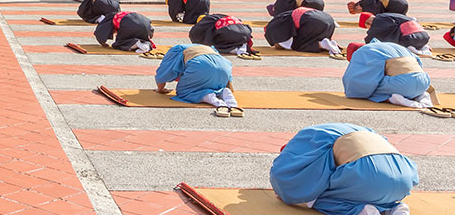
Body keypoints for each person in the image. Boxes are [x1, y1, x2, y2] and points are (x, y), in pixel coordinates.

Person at [270, 123, 418, 215]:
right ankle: (391, 208)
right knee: (367, 189)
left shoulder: (308, 142)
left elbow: (284, 178)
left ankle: (362, 211)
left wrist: (287, 193)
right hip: (404, 176)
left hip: (368, 177)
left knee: (314, 198)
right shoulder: (352, 130)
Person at [342, 41, 433, 110]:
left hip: (402, 85)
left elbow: (360, 81)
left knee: (367, 87)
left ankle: (391, 98)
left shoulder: (364, 52)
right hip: (424, 82)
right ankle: (419, 95)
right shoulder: (392, 45)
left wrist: (351, 90)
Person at [154, 44, 239, 113]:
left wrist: (160, 89)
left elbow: (164, 72)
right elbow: (226, 76)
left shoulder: (175, 50)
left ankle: (209, 97)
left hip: (200, 65)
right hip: (224, 67)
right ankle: (225, 93)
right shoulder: (209, 48)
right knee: (217, 86)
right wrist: (228, 86)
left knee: (184, 93)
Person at [264, 8, 341, 55]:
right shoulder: (283, 17)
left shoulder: (275, 27)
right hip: (329, 20)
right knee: (309, 37)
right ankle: (330, 43)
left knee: (298, 45)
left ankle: (322, 44)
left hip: (312, 21)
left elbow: (280, 45)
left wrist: (278, 44)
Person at [361, 13, 431, 55]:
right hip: (424, 37)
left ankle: (409, 47)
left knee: (392, 42)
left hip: (411, 39)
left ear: (368, 22)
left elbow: (374, 34)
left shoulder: (379, 19)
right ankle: (422, 46)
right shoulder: (387, 16)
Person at [188, 13, 256, 56]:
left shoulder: (207, 20)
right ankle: (240, 44)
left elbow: (194, 33)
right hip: (246, 32)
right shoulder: (219, 16)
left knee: (212, 38)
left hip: (231, 31)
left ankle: (233, 48)